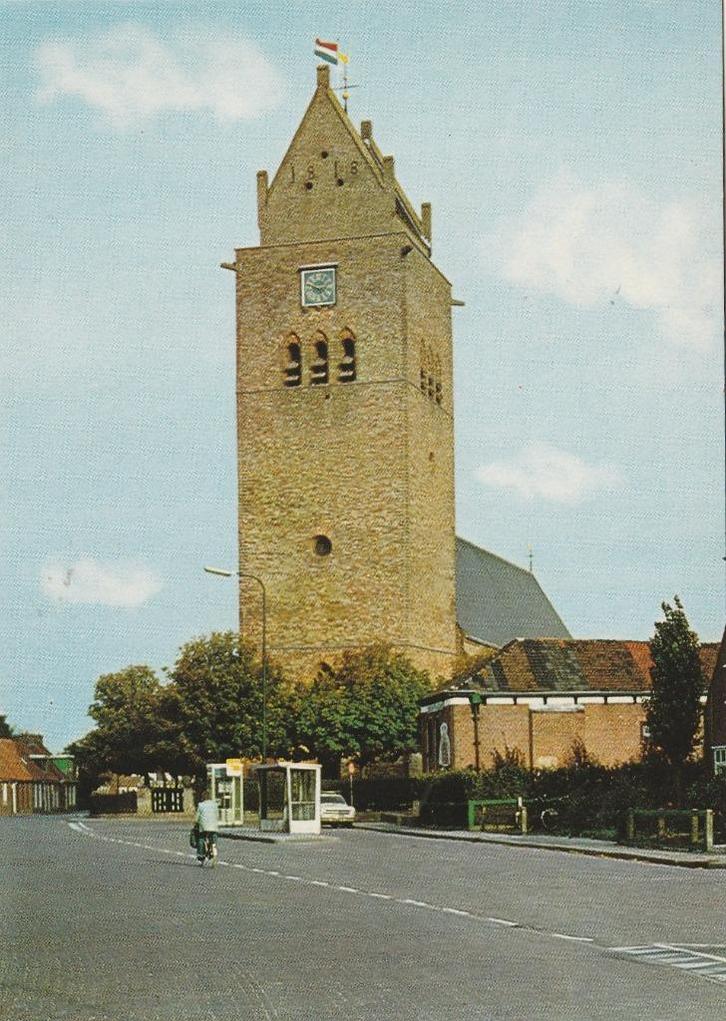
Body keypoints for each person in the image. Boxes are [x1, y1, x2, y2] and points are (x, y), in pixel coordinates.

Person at [194, 791, 219, 862]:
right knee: (213, 835)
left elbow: (197, 817)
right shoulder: (215, 804)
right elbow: (217, 815)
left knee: (201, 838)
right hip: (213, 825)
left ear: (203, 798)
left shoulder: (200, 805)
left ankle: (201, 854)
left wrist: (196, 823)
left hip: (204, 826)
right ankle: (213, 845)